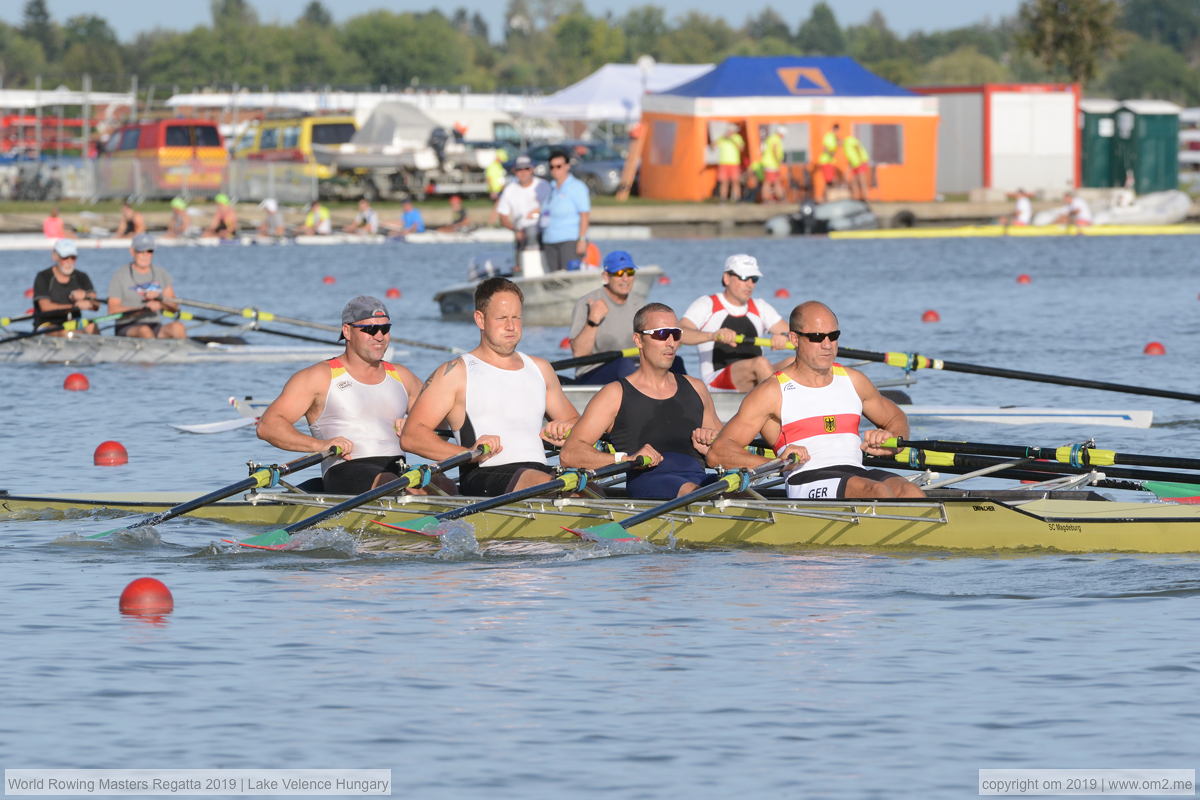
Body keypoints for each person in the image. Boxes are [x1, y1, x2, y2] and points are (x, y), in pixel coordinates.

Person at [707, 300, 926, 500]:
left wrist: (892, 442)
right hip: (806, 479)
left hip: (855, 473)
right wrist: (776, 463)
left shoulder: (854, 380)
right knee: (877, 491)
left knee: (910, 491)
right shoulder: (772, 392)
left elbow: (896, 417)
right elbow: (719, 452)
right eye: (817, 337)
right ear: (794, 339)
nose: (828, 344)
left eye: (833, 336)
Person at [401, 277, 580, 497]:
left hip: (540, 475)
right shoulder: (456, 372)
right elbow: (412, 436)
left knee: (584, 487)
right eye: (502, 318)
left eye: (516, 317)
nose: (511, 326)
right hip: (484, 476)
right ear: (480, 319)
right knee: (552, 484)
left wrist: (565, 429)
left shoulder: (541, 368)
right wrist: (468, 453)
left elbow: (578, 425)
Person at [256, 295, 425, 495]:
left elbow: (441, 427)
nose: (379, 336)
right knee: (391, 482)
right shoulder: (318, 377)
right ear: (347, 331)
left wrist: (417, 427)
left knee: (442, 482)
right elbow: (268, 426)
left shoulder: (403, 376)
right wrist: (321, 445)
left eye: (385, 329)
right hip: (345, 473)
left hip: (399, 472)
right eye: (370, 329)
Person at [561, 303, 722, 499]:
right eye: (661, 334)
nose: (671, 342)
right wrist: (626, 459)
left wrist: (713, 446)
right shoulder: (615, 394)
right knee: (696, 492)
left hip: (700, 482)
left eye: (676, 334)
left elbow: (724, 448)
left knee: (738, 494)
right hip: (651, 483)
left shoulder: (696, 388)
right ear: (638, 340)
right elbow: (570, 454)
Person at [681, 254, 792, 392]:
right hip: (715, 382)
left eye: (754, 279)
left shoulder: (760, 307)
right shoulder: (707, 304)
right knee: (761, 363)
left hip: (755, 377)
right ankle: (781, 409)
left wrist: (784, 336)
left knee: (795, 362)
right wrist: (712, 336)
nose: (750, 284)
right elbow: (680, 333)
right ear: (726, 278)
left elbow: (797, 335)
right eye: (744, 278)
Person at [568, 250, 676, 385]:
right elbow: (579, 354)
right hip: (592, 373)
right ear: (606, 276)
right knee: (623, 364)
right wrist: (593, 321)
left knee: (676, 362)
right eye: (619, 273)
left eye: (630, 272)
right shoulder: (587, 303)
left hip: (635, 369)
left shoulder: (640, 305)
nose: (625, 279)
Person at [107, 233, 186, 339]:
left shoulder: (161, 273)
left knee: (178, 327)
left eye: (149, 251)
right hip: (127, 326)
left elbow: (174, 307)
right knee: (145, 331)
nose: (145, 255)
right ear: (132, 252)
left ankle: (183, 355)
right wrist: (142, 309)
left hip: (155, 325)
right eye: (141, 251)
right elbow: (112, 309)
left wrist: (161, 303)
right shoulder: (120, 275)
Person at [32, 239, 99, 334]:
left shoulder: (81, 276)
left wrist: (87, 297)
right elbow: (45, 307)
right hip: (47, 324)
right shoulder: (43, 277)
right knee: (66, 331)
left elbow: (96, 305)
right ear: (55, 256)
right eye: (65, 258)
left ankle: (99, 347)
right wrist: (73, 306)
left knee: (91, 325)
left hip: (73, 322)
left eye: (73, 258)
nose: (69, 261)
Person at [540, 148, 590, 272]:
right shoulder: (550, 187)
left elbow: (584, 215)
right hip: (549, 239)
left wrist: (582, 240)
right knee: (553, 279)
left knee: (569, 277)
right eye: (552, 167)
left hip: (569, 239)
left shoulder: (577, 187)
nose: (555, 170)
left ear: (567, 166)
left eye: (559, 166)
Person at [496, 154, 549, 264]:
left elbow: (553, 207)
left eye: (527, 168)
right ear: (514, 171)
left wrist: (538, 211)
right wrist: (516, 230)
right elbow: (503, 217)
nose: (523, 172)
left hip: (543, 232)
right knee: (520, 262)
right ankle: (520, 267)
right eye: (519, 169)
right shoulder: (509, 190)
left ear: (532, 170)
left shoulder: (543, 185)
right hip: (521, 234)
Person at [715, 124, 745, 203]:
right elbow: (712, 146)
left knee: (735, 181)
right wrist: (722, 137)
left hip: (734, 163)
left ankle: (737, 198)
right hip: (723, 163)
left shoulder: (737, 138)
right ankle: (723, 199)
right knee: (724, 182)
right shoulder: (722, 138)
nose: (730, 132)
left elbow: (741, 148)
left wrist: (732, 140)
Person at [760, 125, 786, 203]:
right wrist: (779, 159)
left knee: (775, 181)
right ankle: (766, 198)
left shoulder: (771, 138)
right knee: (768, 182)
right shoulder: (775, 139)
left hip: (770, 164)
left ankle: (780, 197)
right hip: (771, 164)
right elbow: (775, 149)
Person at [842, 130, 871, 202]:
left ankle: (865, 198)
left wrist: (861, 158)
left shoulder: (849, 140)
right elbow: (851, 157)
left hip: (860, 162)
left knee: (862, 180)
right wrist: (848, 168)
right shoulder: (844, 147)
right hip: (854, 164)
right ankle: (856, 197)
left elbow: (858, 146)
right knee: (854, 180)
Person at [816, 123, 842, 202]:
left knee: (830, 181)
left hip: (830, 162)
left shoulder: (834, 137)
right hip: (826, 161)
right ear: (835, 129)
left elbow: (840, 143)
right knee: (830, 181)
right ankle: (826, 198)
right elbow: (825, 148)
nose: (838, 132)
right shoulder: (829, 136)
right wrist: (831, 153)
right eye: (838, 130)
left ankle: (827, 198)